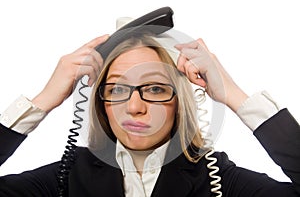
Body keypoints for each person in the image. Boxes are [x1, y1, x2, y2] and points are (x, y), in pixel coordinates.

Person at [0, 30, 299, 197]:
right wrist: (42, 101)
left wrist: (233, 95)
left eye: (155, 89)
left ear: (179, 101)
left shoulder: (217, 178)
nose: (134, 107)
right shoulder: (66, 178)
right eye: (117, 89)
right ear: (101, 102)